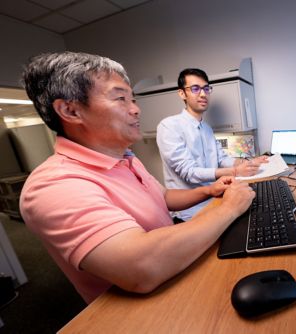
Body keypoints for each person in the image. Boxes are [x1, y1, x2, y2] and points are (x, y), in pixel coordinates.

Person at [19, 52, 255, 304]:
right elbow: (140, 267)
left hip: (174, 276)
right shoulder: (52, 186)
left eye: (132, 99)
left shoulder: (126, 157)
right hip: (142, 310)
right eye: (120, 98)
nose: (135, 109)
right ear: (70, 110)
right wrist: (230, 208)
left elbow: (162, 197)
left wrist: (209, 190)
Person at [156, 68, 267, 221]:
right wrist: (235, 171)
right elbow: (189, 172)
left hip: (215, 200)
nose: (203, 94)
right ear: (182, 93)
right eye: (195, 88)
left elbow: (221, 158)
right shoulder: (169, 126)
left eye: (206, 88)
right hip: (189, 212)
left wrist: (248, 163)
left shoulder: (207, 128)